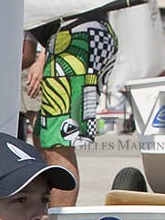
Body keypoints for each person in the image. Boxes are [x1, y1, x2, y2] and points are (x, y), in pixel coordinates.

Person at [28, 12, 117, 208]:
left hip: (73, 37)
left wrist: (42, 57)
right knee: (43, 138)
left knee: (57, 145)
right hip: (79, 34)